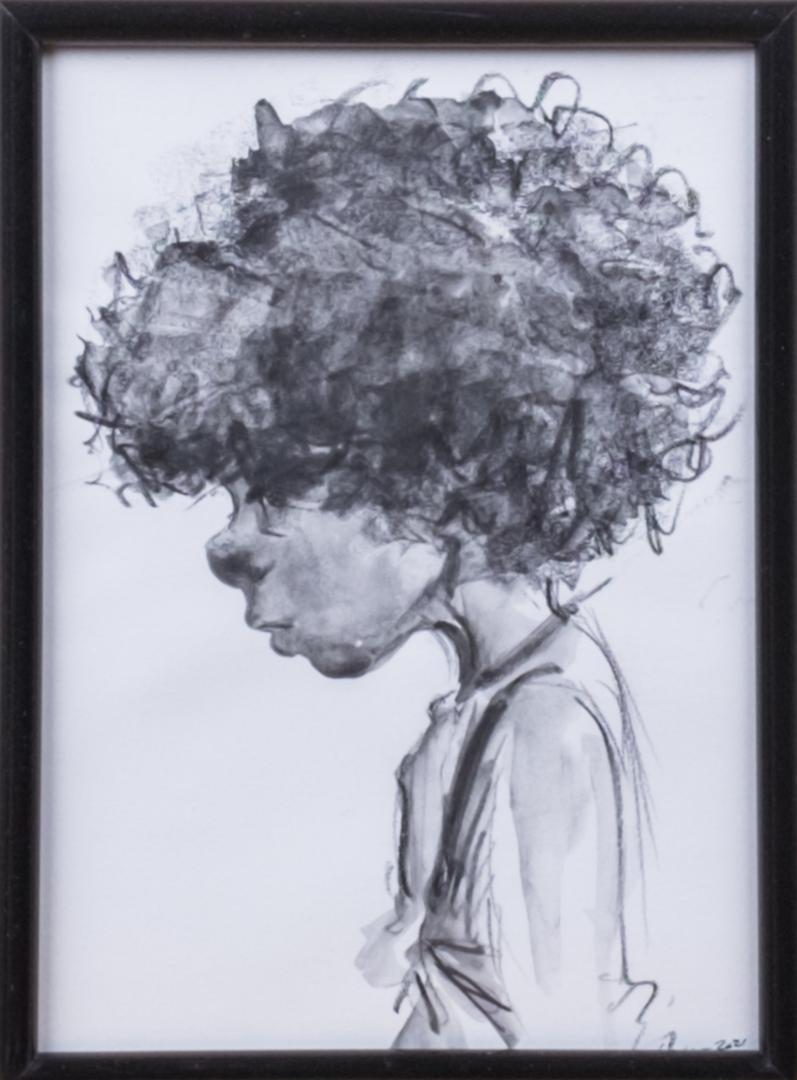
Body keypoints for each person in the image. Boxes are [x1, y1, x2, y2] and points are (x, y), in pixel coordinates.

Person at [73, 73, 738, 1049]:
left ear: (425, 472)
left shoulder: (544, 722)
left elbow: (565, 1035)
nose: (237, 545)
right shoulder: (485, 711)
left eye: (275, 491)